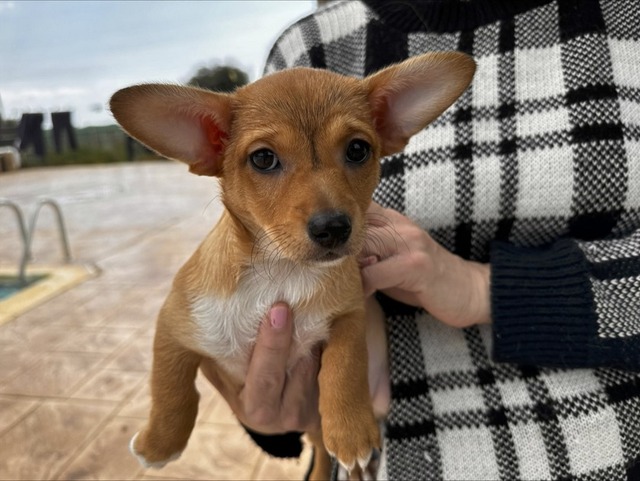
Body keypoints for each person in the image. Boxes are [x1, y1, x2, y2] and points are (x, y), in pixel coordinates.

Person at [200, 0, 640, 479]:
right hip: (369, 455)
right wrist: (275, 409)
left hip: (605, 447)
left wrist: (485, 288)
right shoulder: (308, 47)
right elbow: (261, 255)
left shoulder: (625, 21)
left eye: (356, 150)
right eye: (267, 160)